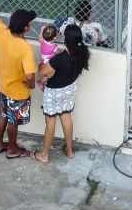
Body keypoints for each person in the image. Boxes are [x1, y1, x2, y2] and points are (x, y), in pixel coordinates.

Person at [0, 0, 36, 158]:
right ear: (25, 28)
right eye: (29, 23)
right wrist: (31, 84)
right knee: (13, 121)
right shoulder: (25, 48)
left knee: (3, 115)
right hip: (18, 92)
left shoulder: (3, 33)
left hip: (4, 87)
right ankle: (13, 149)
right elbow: (30, 75)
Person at [34, 23, 91, 164]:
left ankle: (44, 155)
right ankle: (70, 150)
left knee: (50, 121)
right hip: (69, 90)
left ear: (65, 39)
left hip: (54, 92)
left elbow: (42, 72)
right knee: (66, 116)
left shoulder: (59, 59)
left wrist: (41, 65)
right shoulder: (82, 53)